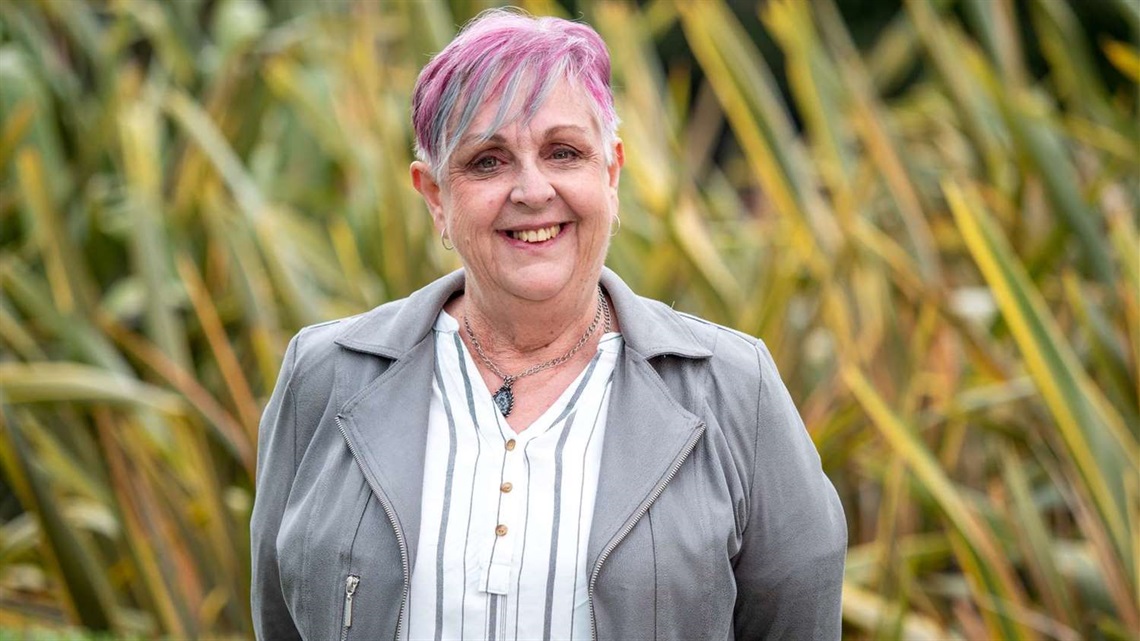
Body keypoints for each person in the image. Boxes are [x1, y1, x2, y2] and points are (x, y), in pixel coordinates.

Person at [250, 8, 845, 640]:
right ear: (434, 197)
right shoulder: (325, 376)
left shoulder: (734, 390)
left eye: (564, 153)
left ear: (610, 174)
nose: (532, 190)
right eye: (487, 161)